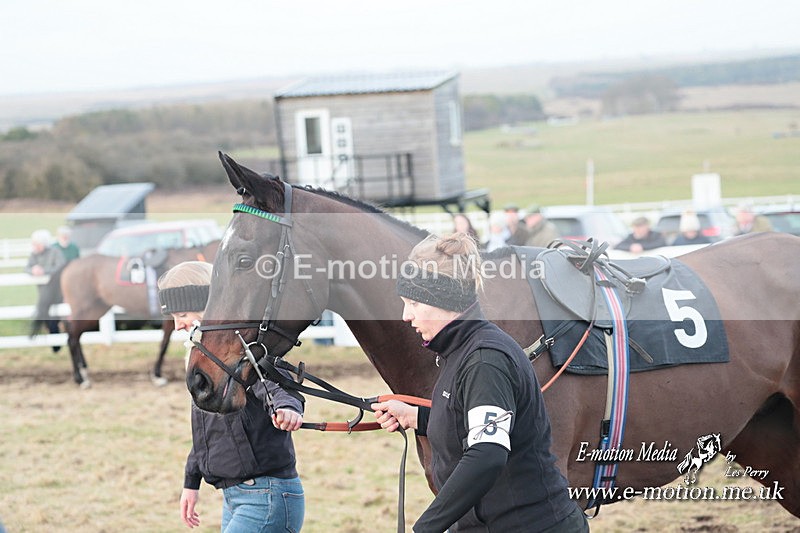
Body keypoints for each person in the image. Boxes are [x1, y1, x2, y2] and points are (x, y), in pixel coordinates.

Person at [372, 233, 587, 532]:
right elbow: (472, 420)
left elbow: (487, 454)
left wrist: (426, 527)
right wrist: (417, 417)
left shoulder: (484, 359)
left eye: (414, 303)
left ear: (442, 300)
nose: (406, 316)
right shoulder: (460, 349)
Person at [158, 261, 306, 533]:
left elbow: (277, 386)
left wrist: (287, 407)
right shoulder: (207, 366)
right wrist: (191, 483)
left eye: (181, 314)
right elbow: (205, 433)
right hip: (235, 498)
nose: (178, 326)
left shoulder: (247, 355)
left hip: (266, 497)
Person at [26, 229, 66, 339]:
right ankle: (54, 337)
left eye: (37, 244)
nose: (35, 247)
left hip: (57, 290)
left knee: (54, 314)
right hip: (43, 291)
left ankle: (55, 337)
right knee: (44, 313)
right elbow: (27, 268)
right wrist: (33, 270)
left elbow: (61, 267)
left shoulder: (55, 252)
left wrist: (44, 271)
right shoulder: (34, 255)